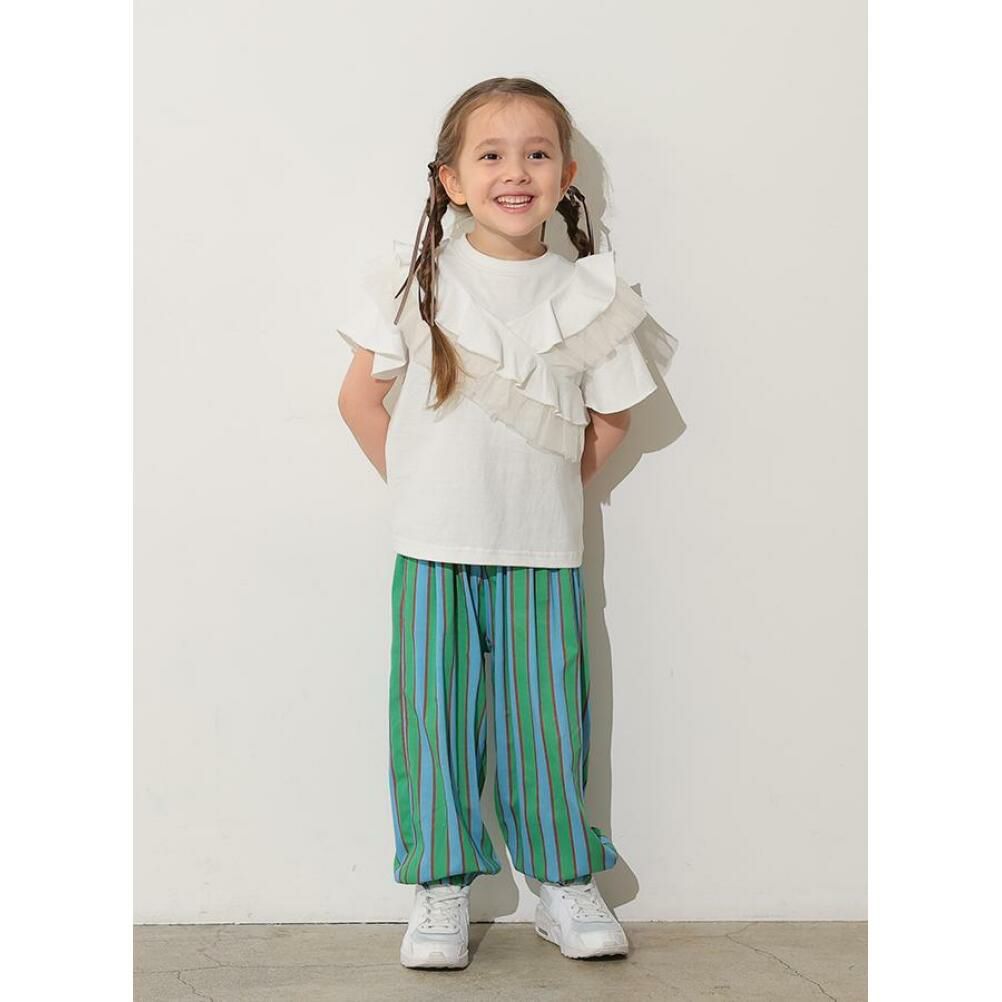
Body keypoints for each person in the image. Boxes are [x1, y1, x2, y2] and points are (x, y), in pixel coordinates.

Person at [336, 77, 678, 970]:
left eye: (535, 154)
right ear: (451, 179)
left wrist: (548, 495)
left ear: (565, 175)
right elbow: (359, 400)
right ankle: (439, 886)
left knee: (547, 722)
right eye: (490, 155)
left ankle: (562, 880)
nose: (514, 171)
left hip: (542, 550)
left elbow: (611, 420)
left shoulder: (588, 296)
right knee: (432, 719)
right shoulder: (419, 283)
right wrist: (419, 489)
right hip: (431, 549)